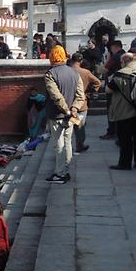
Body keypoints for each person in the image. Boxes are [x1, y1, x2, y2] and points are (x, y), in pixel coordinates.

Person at [43, 45, 84, 184]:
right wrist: (74, 109)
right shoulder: (74, 73)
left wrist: (65, 109)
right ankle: (66, 170)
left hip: (57, 115)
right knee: (68, 143)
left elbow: (56, 96)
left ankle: (60, 173)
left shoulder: (50, 74)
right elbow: (80, 95)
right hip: (70, 115)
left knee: (59, 144)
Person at [107, 53, 136, 170]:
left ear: (123, 62)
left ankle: (125, 163)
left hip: (125, 111)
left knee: (125, 140)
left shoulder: (120, 74)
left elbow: (108, 89)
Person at [70, 52, 101, 153]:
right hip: (82, 103)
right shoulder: (85, 72)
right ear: (81, 61)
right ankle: (80, 144)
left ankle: (68, 146)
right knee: (80, 125)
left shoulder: (67, 71)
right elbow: (98, 82)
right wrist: (91, 92)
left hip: (68, 103)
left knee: (68, 125)